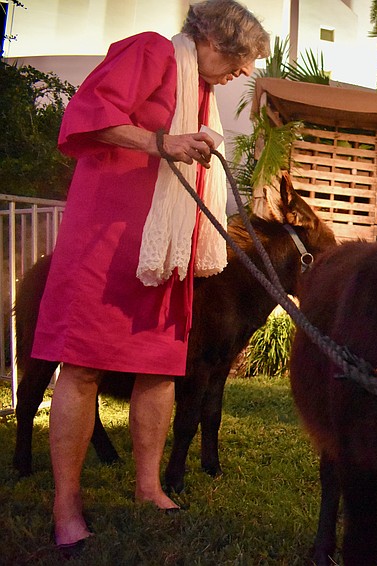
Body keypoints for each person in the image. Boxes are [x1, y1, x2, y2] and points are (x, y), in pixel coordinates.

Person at [31, 0, 269, 555]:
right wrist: (164, 143)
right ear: (212, 39)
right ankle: (66, 504)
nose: (243, 73)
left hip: (164, 250)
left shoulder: (202, 88)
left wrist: (195, 146)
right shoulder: (151, 51)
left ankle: (148, 486)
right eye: (240, 60)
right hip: (106, 241)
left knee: (159, 368)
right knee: (84, 364)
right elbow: (90, 118)